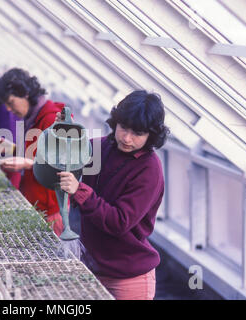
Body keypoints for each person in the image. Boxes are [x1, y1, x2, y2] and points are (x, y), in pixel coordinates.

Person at [57, 90, 169, 300]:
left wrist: (80, 191)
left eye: (137, 133)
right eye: (123, 128)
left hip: (128, 278)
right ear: (115, 122)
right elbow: (61, 155)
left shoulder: (149, 168)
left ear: (151, 135)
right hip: (92, 269)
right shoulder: (99, 147)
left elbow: (120, 221)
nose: (127, 138)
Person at [0, 68, 65, 236]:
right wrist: (12, 149)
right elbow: (39, 154)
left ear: (25, 93)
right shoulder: (33, 117)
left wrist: (27, 164)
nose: (9, 109)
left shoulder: (51, 119)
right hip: (35, 204)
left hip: (51, 213)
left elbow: (62, 167)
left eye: (11, 102)